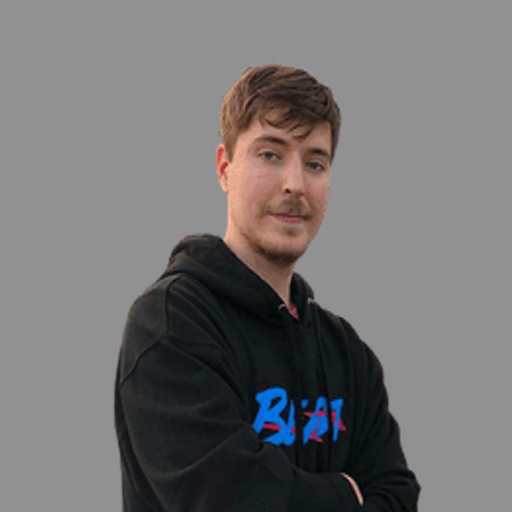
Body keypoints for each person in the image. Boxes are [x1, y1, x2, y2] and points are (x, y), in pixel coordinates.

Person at [114, 64, 421, 511]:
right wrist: (349, 494)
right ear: (224, 168)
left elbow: (400, 495)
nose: (295, 184)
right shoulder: (169, 325)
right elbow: (229, 501)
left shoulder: (347, 352)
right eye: (270, 155)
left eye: (314, 163)